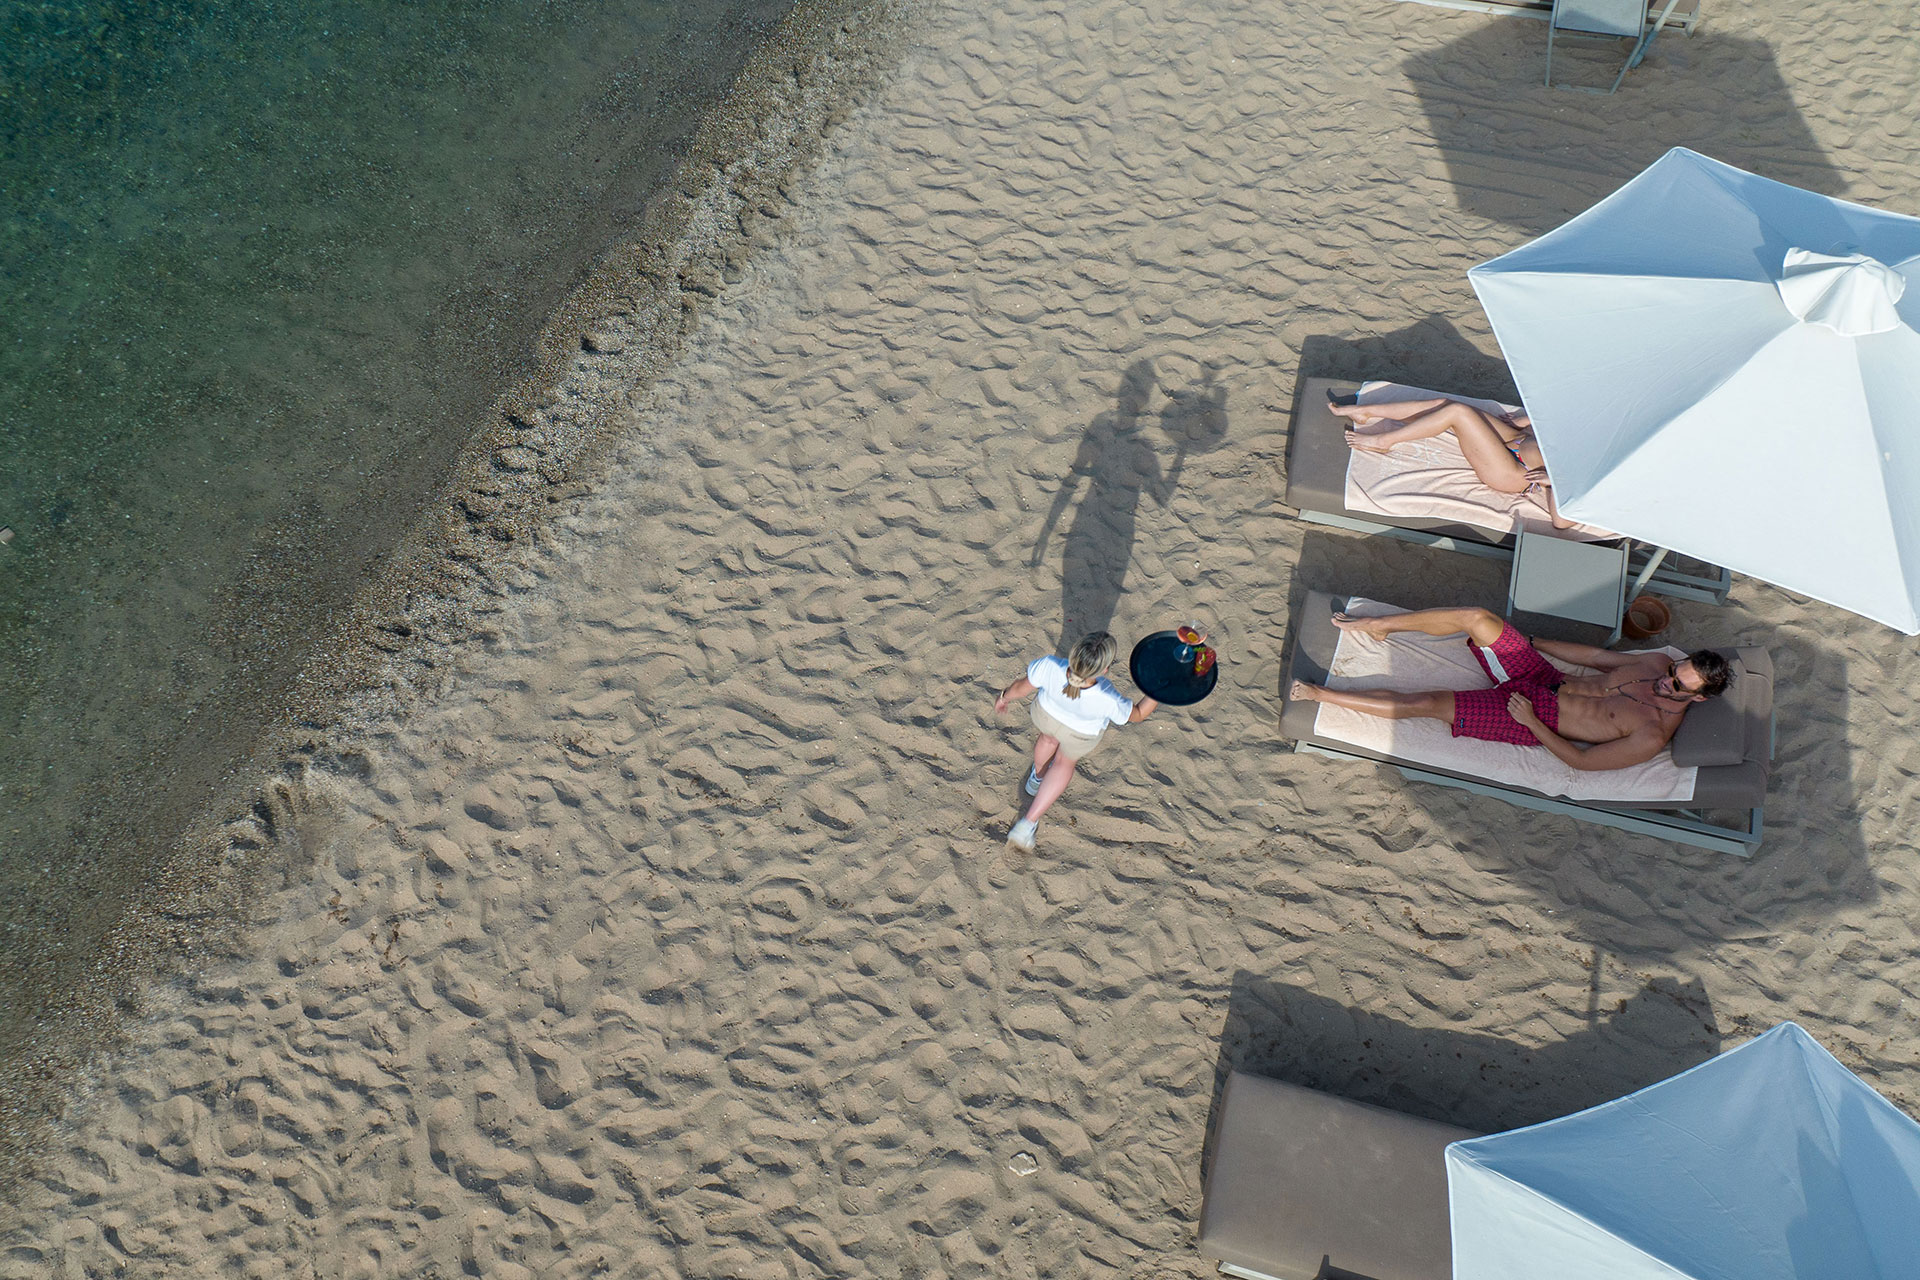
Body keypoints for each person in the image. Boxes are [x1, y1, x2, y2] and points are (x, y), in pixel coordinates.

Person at [1288, 606, 1733, 771]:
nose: (1664, 679)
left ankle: (1320, 695)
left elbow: (1580, 761)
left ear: (1697, 698)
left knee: (1424, 703)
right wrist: (1530, 643)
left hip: (1534, 719)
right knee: (1480, 619)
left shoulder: (1651, 734)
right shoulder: (1655, 662)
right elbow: (1596, 659)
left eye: (1676, 685)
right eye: (1676, 668)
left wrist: (1530, 722)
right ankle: (1378, 625)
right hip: (1546, 679)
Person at [993, 631, 1158, 851]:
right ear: (1104, 670)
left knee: (1047, 739)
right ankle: (1027, 823)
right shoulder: (1107, 696)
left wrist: (1004, 697)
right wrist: (1158, 691)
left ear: (1074, 653)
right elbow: (1137, 714)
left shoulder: (1050, 665)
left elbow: (1021, 688)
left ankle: (1037, 778)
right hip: (1080, 735)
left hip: (1046, 716)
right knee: (1063, 762)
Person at [1328, 391, 1576, 529]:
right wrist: (1525, 422)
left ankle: (1384, 442)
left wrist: (1554, 482)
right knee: (1446, 404)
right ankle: (1366, 412)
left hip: (1514, 471)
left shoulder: (1608, 481)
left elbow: (1562, 522)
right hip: (1519, 439)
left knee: (1458, 413)